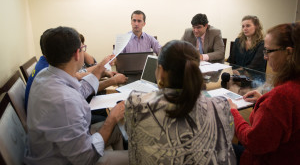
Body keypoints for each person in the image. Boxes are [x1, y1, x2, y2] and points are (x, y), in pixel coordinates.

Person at [24, 26, 128, 165]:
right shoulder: (65, 101)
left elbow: (80, 91)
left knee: (117, 130)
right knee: (135, 156)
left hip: (52, 147)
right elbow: (86, 158)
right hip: (68, 159)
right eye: (83, 48)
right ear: (77, 54)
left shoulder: (46, 74)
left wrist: (99, 69)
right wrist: (112, 118)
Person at [125, 40, 236, 164]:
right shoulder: (221, 106)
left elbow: (131, 136)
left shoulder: (136, 104)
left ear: (161, 72)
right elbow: (227, 137)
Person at [228, 22, 300, 165]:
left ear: (289, 52)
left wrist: (233, 113)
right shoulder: (289, 89)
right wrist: (264, 101)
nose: (265, 57)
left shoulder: (282, 96)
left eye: (268, 51)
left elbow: (253, 142)